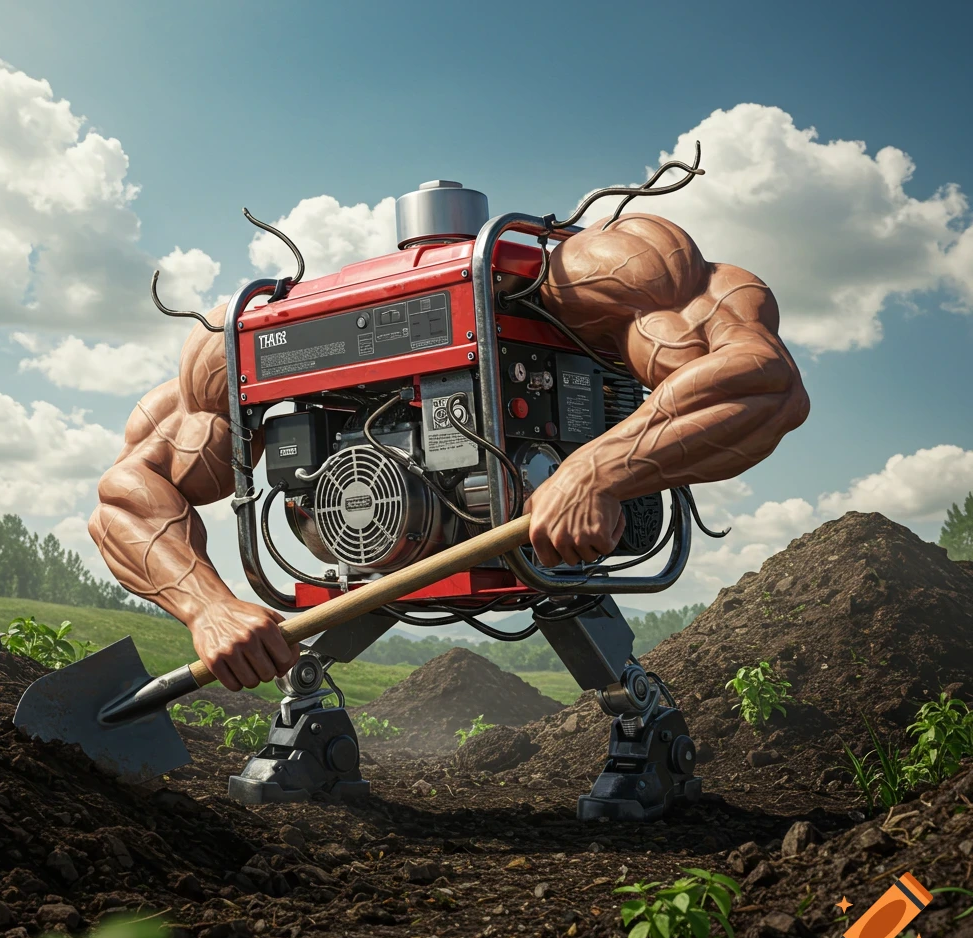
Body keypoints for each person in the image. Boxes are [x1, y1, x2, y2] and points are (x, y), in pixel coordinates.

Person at [90, 212, 809, 692]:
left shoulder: (601, 271)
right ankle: (304, 725)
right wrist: (209, 609)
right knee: (311, 675)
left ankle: (637, 726)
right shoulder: (237, 343)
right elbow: (126, 490)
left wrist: (596, 468)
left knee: (609, 668)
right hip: (371, 570)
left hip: (553, 532)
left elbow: (765, 380)